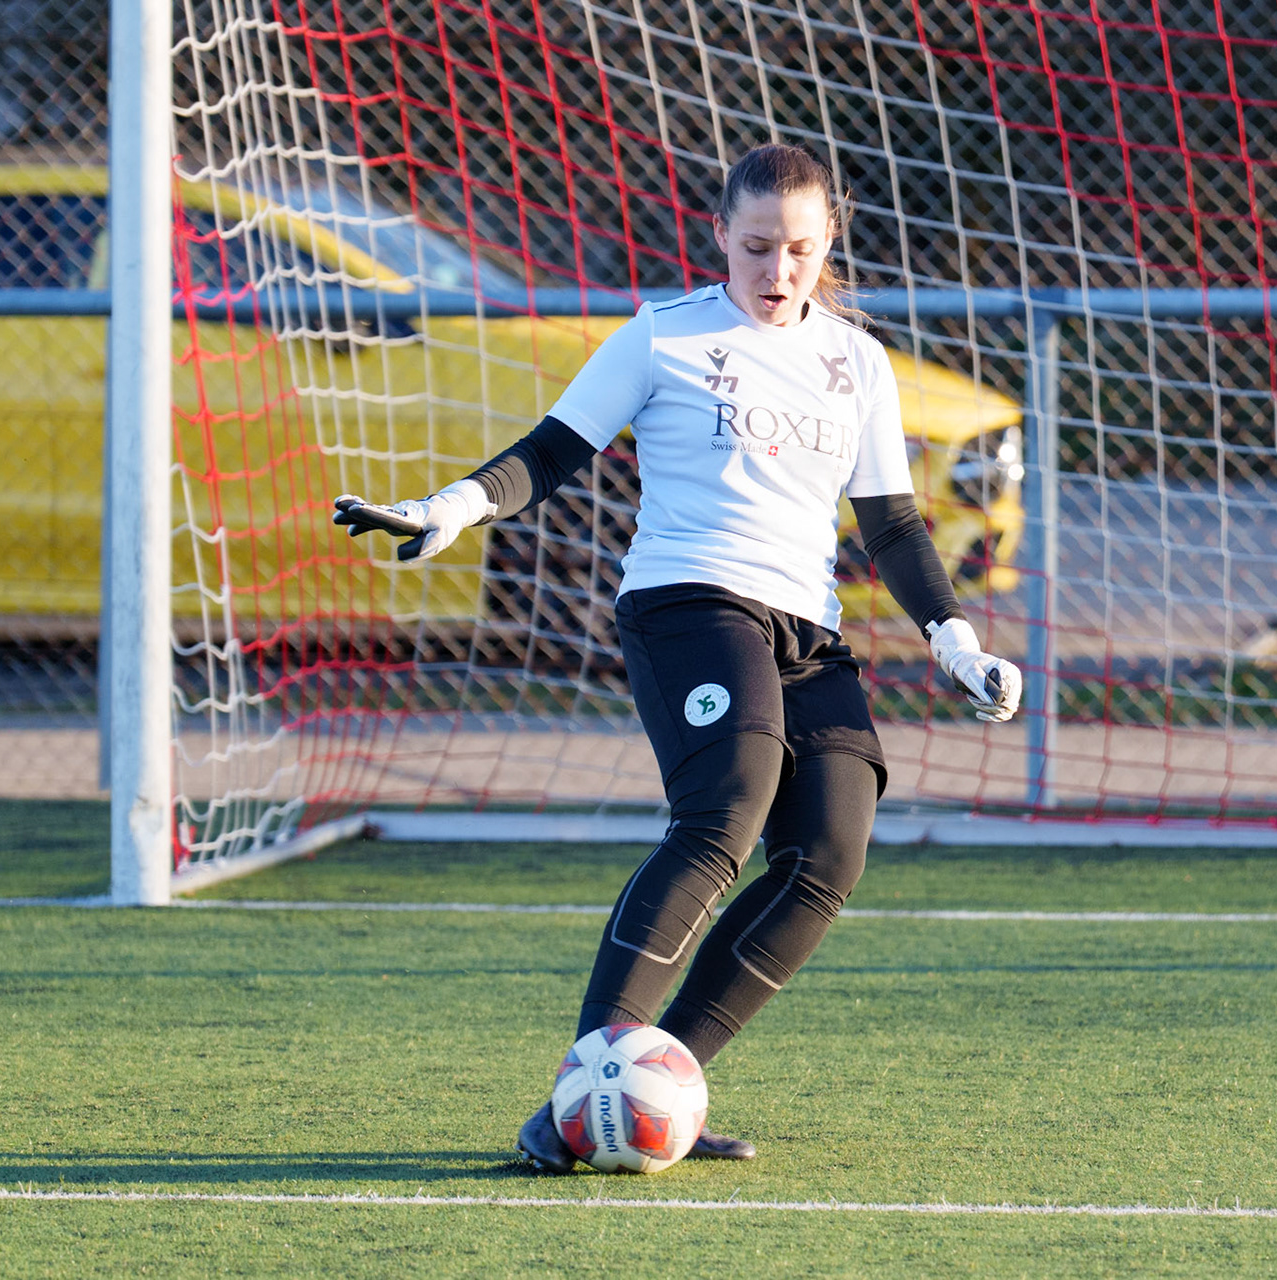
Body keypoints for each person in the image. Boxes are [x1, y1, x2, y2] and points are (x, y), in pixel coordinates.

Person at [333, 143, 1022, 1171]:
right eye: (756, 246)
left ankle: (655, 1087)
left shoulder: (858, 362)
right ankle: (579, 1093)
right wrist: (453, 506)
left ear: (828, 241)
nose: (777, 269)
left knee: (829, 853)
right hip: (688, 600)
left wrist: (956, 641)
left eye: (798, 249)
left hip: (808, 627)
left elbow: (890, 524)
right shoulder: (664, 336)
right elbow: (549, 453)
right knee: (727, 808)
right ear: (720, 236)